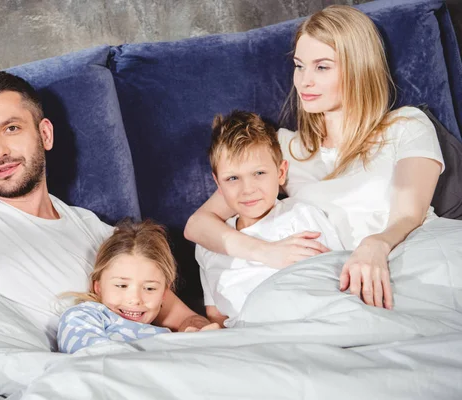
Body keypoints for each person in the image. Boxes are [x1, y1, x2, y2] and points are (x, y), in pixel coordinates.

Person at [0, 71, 217, 349]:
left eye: (11, 128)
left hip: (20, 374)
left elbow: (169, 307)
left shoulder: (97, 231)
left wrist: (198, 329)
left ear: (44, 134)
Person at [184, 5, 444, 310]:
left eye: (322, 67)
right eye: (299, 65)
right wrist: (264, 252)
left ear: (359, 68)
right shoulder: (284, 147)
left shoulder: (406, 126)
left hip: (407, 257)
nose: (304, 81)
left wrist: (376, 244)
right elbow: (198, 224)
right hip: (335, 285)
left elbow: (408, 216)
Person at [196, 110, 343, 327]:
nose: (248, 189)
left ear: (281, 172)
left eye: (259, 173)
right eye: (233, 178)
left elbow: (338, 279)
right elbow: (216, 315)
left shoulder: (300, 216)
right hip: (244, 337)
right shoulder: (208, 243)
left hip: (300, 325)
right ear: (218, 184)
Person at [58, 220, 177, 354]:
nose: (135, 299)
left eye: (149, 288)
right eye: (121, 285)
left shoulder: (165, 335)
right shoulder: (83, 316)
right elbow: (89, 355)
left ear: (164, 294)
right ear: (98, 287)